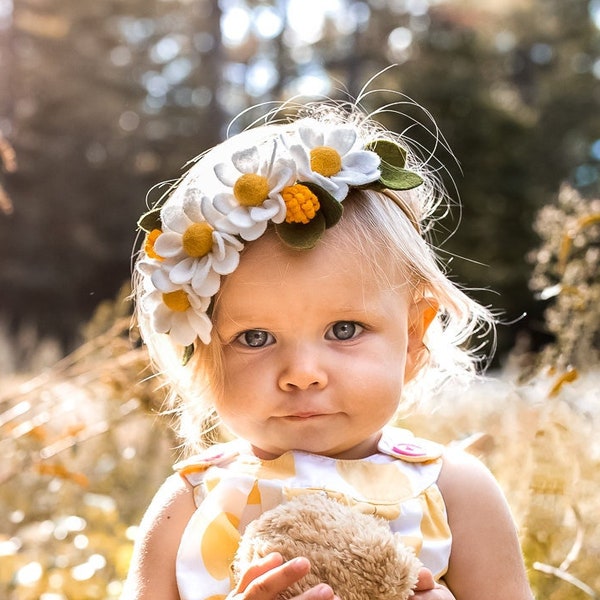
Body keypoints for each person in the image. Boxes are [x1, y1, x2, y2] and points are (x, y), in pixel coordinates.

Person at [123, 99, 533, 600]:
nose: (302, 373)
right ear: (204, 353)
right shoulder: (190, 505)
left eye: (343, 330)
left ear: (412, 338)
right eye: (255, 338)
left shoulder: (455, 491)